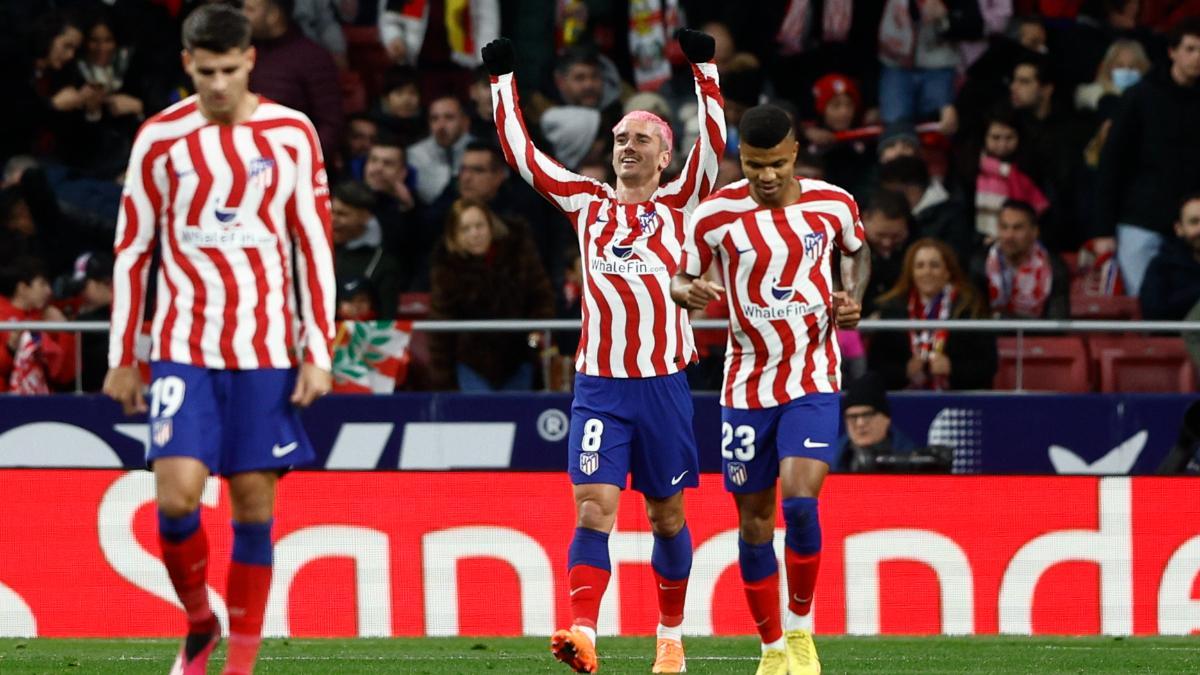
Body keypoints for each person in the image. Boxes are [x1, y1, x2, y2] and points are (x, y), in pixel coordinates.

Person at [101, 6, 335, 674]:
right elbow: (132, 249)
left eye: (231, 70)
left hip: (265, 349)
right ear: (187, 65)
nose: (220, 85)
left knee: (254, 503)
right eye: (207, 73)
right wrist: (123, 355)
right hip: (183, 344)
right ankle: (200, 620)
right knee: (175, 496)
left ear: (250, 61)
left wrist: (318, 348)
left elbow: (312, 244)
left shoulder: (292, 134)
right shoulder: (159, 138)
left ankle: (241, 664)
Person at [483, 29, 725, 674]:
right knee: (593, 507)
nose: (625, 147)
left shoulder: (681, 202)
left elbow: (716, 145)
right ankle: (583, 631)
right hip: (600, 387)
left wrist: (704, 69)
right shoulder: (586, 203)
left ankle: (670, 637)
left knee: (668, 517)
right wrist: (502, 81)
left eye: (640, 138)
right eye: (619, 138)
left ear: (665, 155)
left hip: (665, 385)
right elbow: (523, 155)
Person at [672, 103, 870, 675]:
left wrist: (851, 294)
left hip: (812, 375)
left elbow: (858, 252)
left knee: (801, 503)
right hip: (745, 384)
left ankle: (804, 632)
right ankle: (771, 648)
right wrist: (685, 289)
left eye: (777, 164)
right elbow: (683, 272)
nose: (766, 176)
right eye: (755, 165)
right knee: (754, 522)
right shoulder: (714, 215)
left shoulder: (833, 203)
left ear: (795, 156)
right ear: (742, 159)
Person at [1096, 17, 1200, 296]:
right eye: (1190, 49)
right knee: (1143, 305)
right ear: (1172, 52)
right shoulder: (1141, 96)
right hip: (1141, 220)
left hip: (1193, 224)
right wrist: (1103, 229)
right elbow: (1111, 162)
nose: (1197, 58)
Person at [428, 199, 555, 391]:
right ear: (454, 236)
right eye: (465, 229)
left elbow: (541, 295)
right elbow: (441, 329)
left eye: (479, 225)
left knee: (518, 417)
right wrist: (443, 379)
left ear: (491, 226)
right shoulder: (446, 269)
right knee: (479, 418)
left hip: (518, 357)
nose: (475, 234)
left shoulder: (518, 253)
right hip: (471, 363)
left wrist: (535, 334)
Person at [868, 238, 997, 390]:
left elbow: (988, 365)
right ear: (912, 272)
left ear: (947, 272)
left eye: (934, 265)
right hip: (903, 400)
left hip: (957, 401)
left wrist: (952, 369)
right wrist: (904, 371)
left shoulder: (970, 308)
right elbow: (876, 365)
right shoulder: (892, 311)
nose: (927, 272)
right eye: (920, 266)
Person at [970, 199, 1070, 319]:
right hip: (991, 337)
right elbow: (975, 318)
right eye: (1004, 227)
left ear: (1034, 232)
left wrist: (1007, 320)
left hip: (1036, 337)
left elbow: (1056, 324)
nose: (1009, 235)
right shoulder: (980, 263)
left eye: (1017, 228)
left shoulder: (1054, 267)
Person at [835, 371, 920, 472]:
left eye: (867, 415)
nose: (860, 423)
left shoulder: (913, 459)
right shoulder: (827, 461)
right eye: (852, 416)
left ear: (886, 418)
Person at [1141, 192, 1200, 320]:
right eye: (1194, 222)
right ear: (1179, 228)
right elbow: (1153, 313)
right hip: (1178, 339)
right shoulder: (1162, 266)